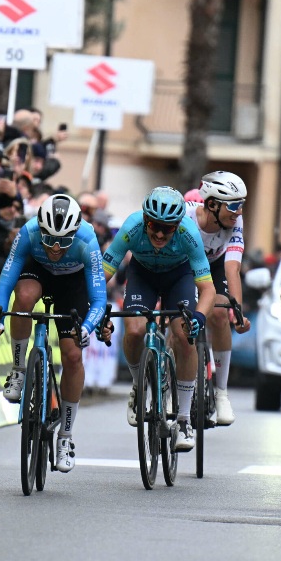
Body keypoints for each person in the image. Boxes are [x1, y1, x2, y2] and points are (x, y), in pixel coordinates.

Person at [0, 195, 107, 473]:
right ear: (40, 228)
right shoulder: (28, 232)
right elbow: (6, 280)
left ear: (74, 233)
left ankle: (65, 436)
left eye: (64, 240)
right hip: (36, 271)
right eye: (49, 238)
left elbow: (98, 299)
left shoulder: (87, 241)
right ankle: (18, 369)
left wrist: (87, 328)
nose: (54, 246)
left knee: (73, 355)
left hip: (72, 283)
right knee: (24, 297)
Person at [101, 187, 215, 452]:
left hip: (180, 276)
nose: (161, 234)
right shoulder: (131, 227)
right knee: (134, 329)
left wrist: (198, 315)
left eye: (168, 228)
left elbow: (208, 289)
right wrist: (93, 309)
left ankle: (184, 419)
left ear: (177, 225)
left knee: (185, 335)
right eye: (154, 225)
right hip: (143, 275)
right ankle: (138, 385)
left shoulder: (189, 233)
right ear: (144, 219)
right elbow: (101, 275)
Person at [184, 171, 252, 425]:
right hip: (182, 266)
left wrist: (238, 311)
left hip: (213, 267)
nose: (240, 212)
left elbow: (232, 267)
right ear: (211, 205)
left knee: (221, 312)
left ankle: (222, 393)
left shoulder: (235, 223)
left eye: (242, 205)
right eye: (235, 205)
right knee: (177, 317)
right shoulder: (186, 216)